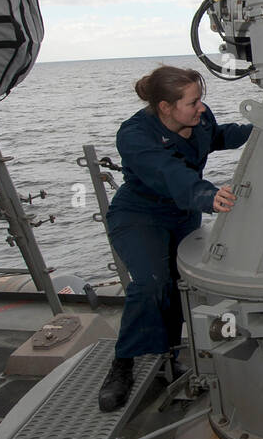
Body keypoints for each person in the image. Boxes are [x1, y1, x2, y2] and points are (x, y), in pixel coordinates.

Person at [98, 65, 253, 412]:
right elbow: (166, 172)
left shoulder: (200, 118)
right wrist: (205, 194)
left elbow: (217, 135)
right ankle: (124, 363)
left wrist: (260, 131)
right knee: (152, 283)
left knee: (182, 286)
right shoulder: (134, 135)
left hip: (182, 214)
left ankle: (167, 356)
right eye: (193, 102)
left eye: (201, 100)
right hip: (140, 213)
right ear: (166, 107)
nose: (202, 107)